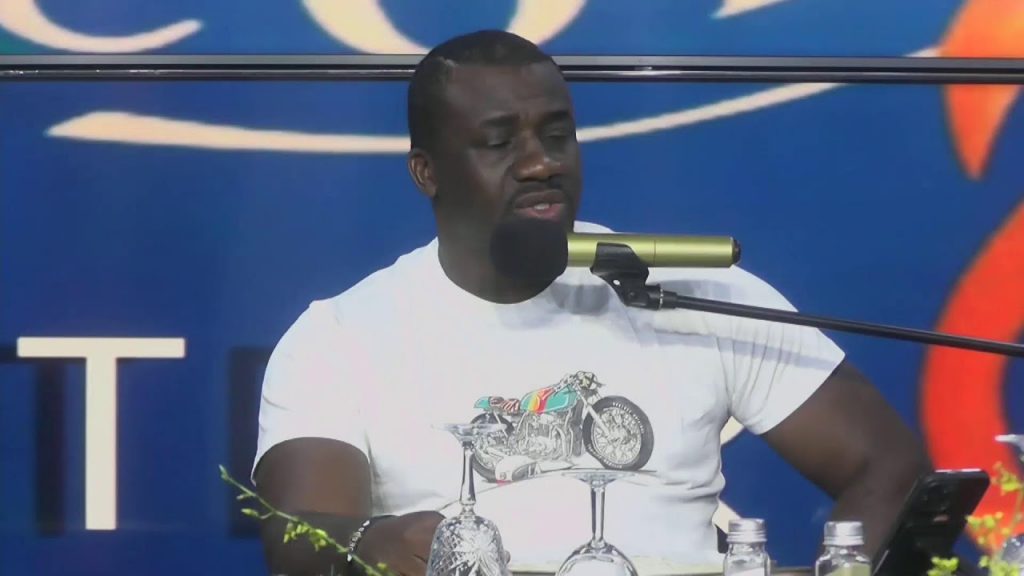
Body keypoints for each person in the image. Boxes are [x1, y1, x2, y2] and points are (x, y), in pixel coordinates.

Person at [251, 29, 930, 576]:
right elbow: (298, 537)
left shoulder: (687, 290)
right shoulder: (340, 338)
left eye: (556, 135)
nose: (540, 162)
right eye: (499, 143)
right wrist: (372, 542)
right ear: (426, 172)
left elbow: (890, 467)